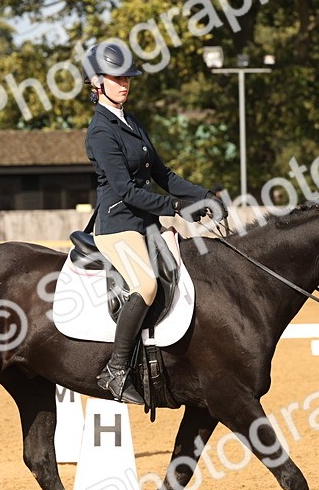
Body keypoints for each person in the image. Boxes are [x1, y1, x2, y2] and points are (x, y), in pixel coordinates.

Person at [83, 41, 221, 404]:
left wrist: (202, 194)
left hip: (147, 223)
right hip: (118, 226)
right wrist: (175, 205)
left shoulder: (132, 123)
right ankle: (115, 370)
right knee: (145, 285)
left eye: (128, 78)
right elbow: (126, 191)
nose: (125, 84)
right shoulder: (101, 132)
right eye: (117, 78)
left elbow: (164, 173)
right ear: (97, 83)